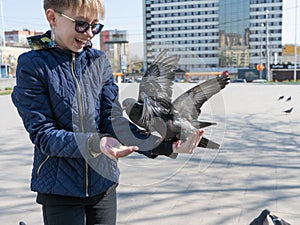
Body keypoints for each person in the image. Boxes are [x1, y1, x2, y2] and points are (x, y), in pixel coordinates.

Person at [11, 0, 204, 225]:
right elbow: (44, 134)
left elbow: (111, 120)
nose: (90, 34)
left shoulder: (99, 61)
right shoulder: (32, 64)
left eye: (95, 26)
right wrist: (96, 143)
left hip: (103, 183)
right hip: (59, 189)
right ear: (53, 18)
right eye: (81, 25)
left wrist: (163, 145)